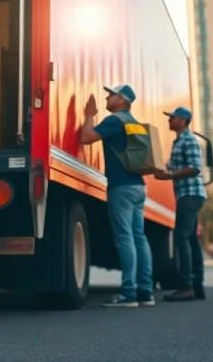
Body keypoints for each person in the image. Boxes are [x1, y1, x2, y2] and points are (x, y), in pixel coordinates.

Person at [79, 84, 154, 308]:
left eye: (111, 95)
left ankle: (128, 293)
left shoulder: (114, 121)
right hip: (139, 187)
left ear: (122, 100)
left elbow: (86, 137)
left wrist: (89, 116)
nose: (107, 97)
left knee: (125, 239)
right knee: (139, 238)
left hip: (120, 187)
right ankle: (145, 291)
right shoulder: (135, 124)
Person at [155, 106, 207, 301]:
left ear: (183, 121)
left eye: (173, 117)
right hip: (187, 195)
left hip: (191, 194)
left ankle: (186, 286)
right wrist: (160, 169)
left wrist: (171, 175)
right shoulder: (178, 142)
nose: (170, 120)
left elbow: (194, 168)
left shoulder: (189, 140)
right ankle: (197, 286)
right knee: (192, 240)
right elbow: (169, 165)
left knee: (181, 238)